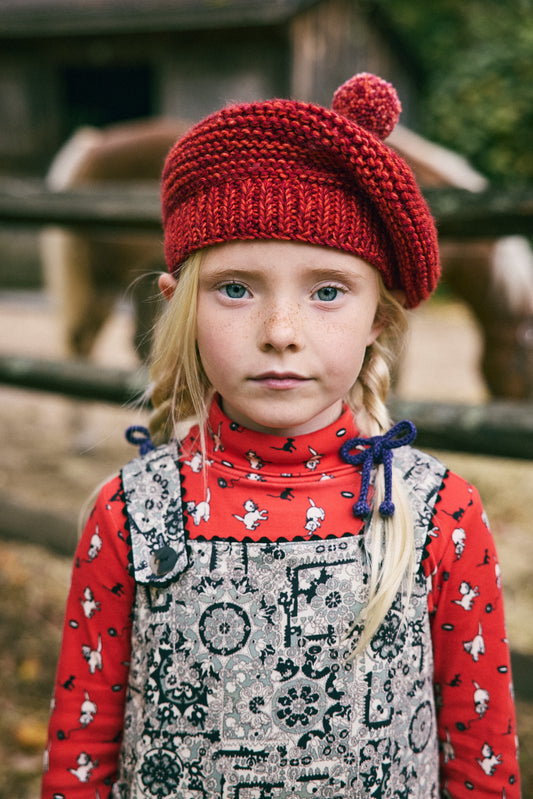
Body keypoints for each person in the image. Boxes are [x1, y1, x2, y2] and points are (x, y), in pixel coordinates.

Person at [42, 73, 520, 798]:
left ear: (378, 321)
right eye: (235, 287)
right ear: (177, 308)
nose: (280, 334)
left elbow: (480, 753)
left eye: (327, 291)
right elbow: (82, 747)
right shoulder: (128, 513)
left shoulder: (439, 517)